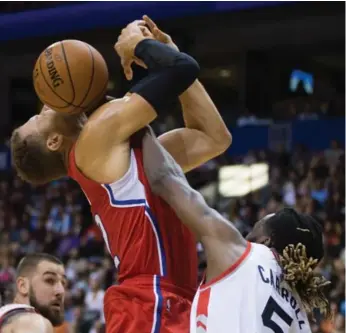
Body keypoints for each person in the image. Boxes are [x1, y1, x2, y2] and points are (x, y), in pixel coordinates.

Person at [11, 16, 231, 333]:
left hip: (166, 302)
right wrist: (140, 45)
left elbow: (213, 137)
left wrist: (169, 51)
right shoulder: (90, 144)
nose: (45, 105)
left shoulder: (120, 149)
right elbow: (179, 70)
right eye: (38, 115)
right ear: (54, 141)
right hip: (149, 304)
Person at [142, 130, 332, 333]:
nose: (257, 221)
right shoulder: (301, 318)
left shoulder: (241, 253)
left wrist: (140, 124)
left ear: (267, 240)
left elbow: (163, 178)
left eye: (263, 221)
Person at [0, 253, 66, 333]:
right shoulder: (33, 321)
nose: (61, 291)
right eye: (50, 280)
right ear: (23, 286)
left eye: (63, 283)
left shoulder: (7, 318)